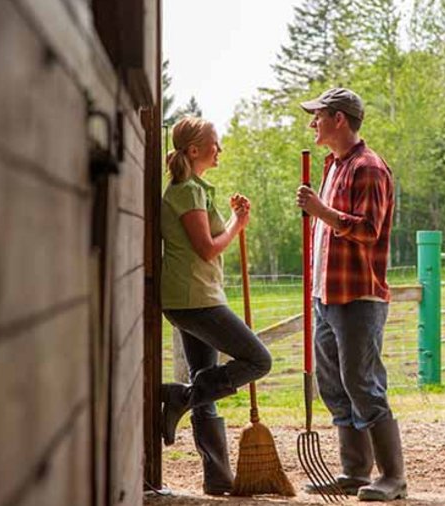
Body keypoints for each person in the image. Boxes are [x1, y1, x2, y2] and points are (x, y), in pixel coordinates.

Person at [295, 88, 407, 501]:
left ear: (339, 119)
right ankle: (355, 471)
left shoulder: (369, 168)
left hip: (358, 295)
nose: (313, 123)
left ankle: (393, 477)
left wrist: (320, 211)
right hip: (326, 295)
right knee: (334, 385)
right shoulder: (334, 166)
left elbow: (368, 230)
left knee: (362, 383)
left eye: (319, 115)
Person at [160, 116, 272, 495]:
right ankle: (182, 396)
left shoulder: (195, 190)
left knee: (205, 383)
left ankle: (218, 477)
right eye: (215, 143)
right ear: (194, 150)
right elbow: (207, 248)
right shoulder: (186, 191)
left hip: (195, 296)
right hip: (194, 299)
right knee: (259, 361)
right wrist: (238, 224)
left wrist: (236, 216)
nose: (219, 148)